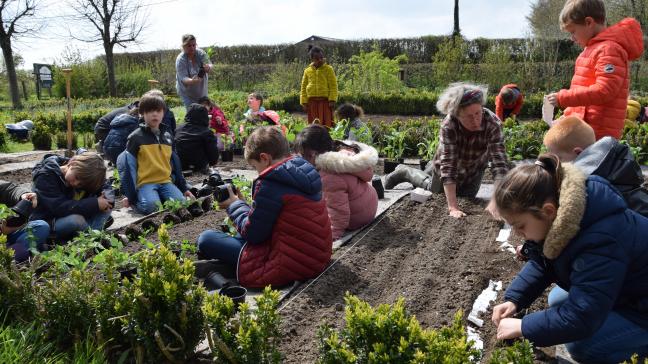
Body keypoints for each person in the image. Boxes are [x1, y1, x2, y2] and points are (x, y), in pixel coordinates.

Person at [491, 153, 648, 363]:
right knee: (557, 299)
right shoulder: (565, 214)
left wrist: (523, 326)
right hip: (632, 290)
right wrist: (515, 299)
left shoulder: (600, 239)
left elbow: (582, 318)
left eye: (520, 226)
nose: (517, 234)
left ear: (547, 211)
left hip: (642, 306)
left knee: (582, 347)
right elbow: (544, 260)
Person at [196, 126, 332, 288]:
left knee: (206, 239)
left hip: (290, 264)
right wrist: (244, 205)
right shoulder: (302, 172)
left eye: (254, 167)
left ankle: (232, 265)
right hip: (315, 256)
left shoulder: (271, 182)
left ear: (264, 158)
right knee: (237, 234)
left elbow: (254, 235)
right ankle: (234, 259)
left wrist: (233, 205)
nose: (256, 172)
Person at [384, 82, 509, 219]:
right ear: (457, 114)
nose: (475, 121)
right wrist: (453, 207)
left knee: (466, 198)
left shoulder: (492, 123)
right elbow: (449, 166)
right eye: (468, 116)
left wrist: (496, 201)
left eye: (478, 113)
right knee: (436, 194)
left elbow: (499, 164)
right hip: (448, 164)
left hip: (474, 168)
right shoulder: (449, 125)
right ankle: (405, 171)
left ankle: (428, 168)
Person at [545, 0, 644, 140]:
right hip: (587, 128)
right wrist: (569, 115)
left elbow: (605, 90)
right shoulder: (591, 49)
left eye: (573, 31)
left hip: (597, 132)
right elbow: (583, 91)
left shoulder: (608, 50)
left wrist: (563, 98)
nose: (572, 38)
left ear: (589, 22)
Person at [543, 115, 648, 217]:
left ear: (578, 153)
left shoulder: (591, 182)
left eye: (560, 158)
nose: (558, 164)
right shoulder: (612, 164)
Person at [294, 124, 378, 240]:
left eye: (303, 156)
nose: (302, 160)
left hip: (357, 217)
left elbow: (338, 210)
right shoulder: (340, 155)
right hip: (368, 203)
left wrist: (333, 234)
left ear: (312, 154)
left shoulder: (330, 175)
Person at [118, 94, 193, 215]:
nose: (155, 114)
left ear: (163, 113)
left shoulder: (168, 137)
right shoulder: (135, 138)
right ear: (142, 113)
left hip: (166, 181)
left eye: (158, 111)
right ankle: (138, 202)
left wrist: (184, 188)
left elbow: (176, 166)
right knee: (151, 207)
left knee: (181, 204)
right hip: (146, 183)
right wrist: (130, 196)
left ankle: (159, 198)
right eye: (150, 111)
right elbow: (129, 168)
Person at [30, 152, 112, 242]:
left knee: (106, 205)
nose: (76, 183)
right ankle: (91, 236)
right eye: (76, 177)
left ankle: (90, 231)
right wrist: (94, 204)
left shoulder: (81, 171)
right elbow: (59, 207)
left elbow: (104, 185)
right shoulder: (46, 176)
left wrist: (107, 200)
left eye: (81, 184)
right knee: (77, 220)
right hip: (48, 221)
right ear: (72, 163)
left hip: (70, 212)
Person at [0, 180, 49, 262]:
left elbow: (8, 189)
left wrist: (23, 195)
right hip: (3, 234)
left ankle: (11, 254)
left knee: (41, 226)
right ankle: (9, 258)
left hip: (5, 234)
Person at [174, 103, 220, 173]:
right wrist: (211, 163)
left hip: (180, 165)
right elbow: (213, 154)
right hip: (199, 166)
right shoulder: (206, 132)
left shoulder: (179, 129)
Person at [300, 45, 338, 127]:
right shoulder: (307, 71)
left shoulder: (328, 69)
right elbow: (303, 87)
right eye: (317, 59)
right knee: (313, 124)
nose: (320, 60)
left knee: (326, 123)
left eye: (321, 57)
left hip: (325, 102)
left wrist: (332, 100)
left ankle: (327, 138)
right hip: (312, 103)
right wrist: (304, 102)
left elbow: (333, 85)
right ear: (312, 59)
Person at [175, 34, 213, 109]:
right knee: (192, 112)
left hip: (201, 91)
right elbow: (183, 78)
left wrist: (209, 67)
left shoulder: (201, 53)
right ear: (183, 47)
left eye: (194, 45)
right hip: (187, 93)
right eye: (189, 46)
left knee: (203, 111)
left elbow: (210, 64)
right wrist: (192, 80)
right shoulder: (180, 60)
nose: (192, 47)